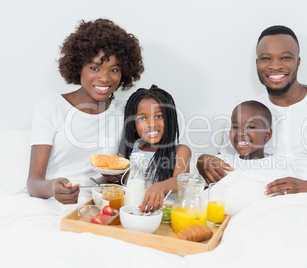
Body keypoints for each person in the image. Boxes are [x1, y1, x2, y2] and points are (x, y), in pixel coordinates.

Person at [197, 25, 307, 196]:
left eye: (285, 57)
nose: (275, 66)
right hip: (262, 200)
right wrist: (204, 162)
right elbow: (224, 163)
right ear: (257, 64)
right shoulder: (250, 111)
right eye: (266, 58)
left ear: (297, 62)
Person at [26, 18, 144, 204]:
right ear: (78, 66)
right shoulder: (52, 106)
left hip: (99, 205)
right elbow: (33, 183)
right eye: (94, 68)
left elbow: (152, 159)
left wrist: (119, 176)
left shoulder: (127, 111)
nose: (104, 78)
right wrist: (53, 188)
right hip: (49, 201)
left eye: (114, 70)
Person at [119, 85, 191, 212]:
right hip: (135, 210)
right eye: (142, 118)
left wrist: (161, 186)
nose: (151, 124)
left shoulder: (180, 151)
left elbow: (180, 181)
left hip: (165, 215)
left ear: (170, 120)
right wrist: (118, 174)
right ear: (133, 126)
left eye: (159, 116)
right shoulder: (134, 146)